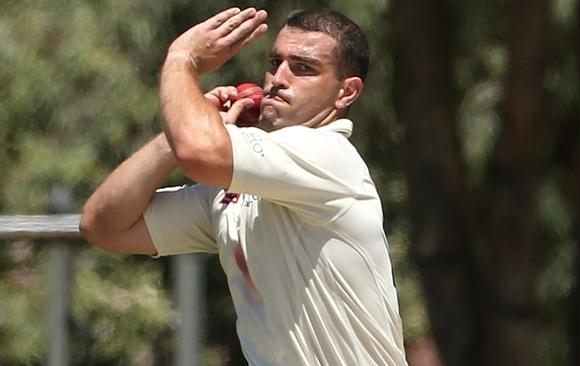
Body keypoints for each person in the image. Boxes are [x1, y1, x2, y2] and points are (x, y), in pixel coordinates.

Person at [80, 7, 407, 365]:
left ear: (346, 93)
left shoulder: (329, 155)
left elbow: (199, 151)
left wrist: (181, 59)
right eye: (274, 62)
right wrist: (169, 144)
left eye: (303, 68)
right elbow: (104, 227)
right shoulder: (238, 195)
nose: (278, 78)